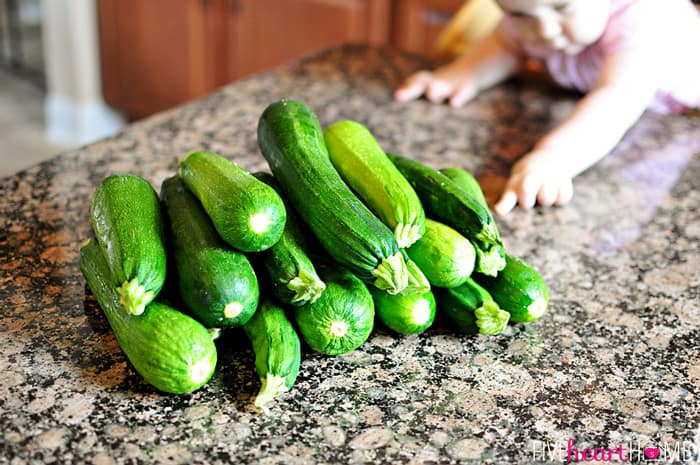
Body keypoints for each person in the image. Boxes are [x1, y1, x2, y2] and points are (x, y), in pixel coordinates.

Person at [395, 0, 700, 215]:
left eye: (561, 7)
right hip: (595, 87)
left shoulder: (643, 19)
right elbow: (505, 44)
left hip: (679, 116)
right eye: (519, 15)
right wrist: (463, 73)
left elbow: (618, 97)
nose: (543, 30)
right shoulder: (536, 15)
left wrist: (555, 157)